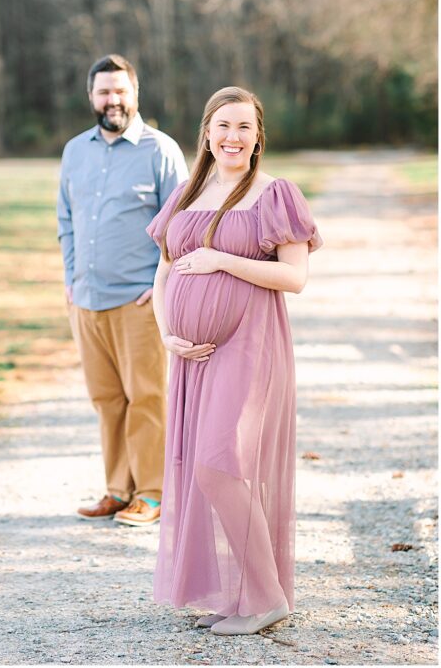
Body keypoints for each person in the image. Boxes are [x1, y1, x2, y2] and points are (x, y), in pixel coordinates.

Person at [146, 86, 322, 635]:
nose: (233, 137)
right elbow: (163, 276)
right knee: (205, 469)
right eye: (224, 125)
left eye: (245, 127)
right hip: (190, 355)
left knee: (218, 465)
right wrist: (166, 333)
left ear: (258, 137)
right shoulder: (184, 194)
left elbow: (294, 278)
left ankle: (268, 598)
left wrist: (223, 258)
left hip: (250, 344)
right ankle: (244, 592)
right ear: (206, 133)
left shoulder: (275, 195)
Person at [58, 54, 188, 527]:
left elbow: (182, 226)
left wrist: (162, 282)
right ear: (91, 96)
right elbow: (66, 220)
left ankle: (151, 493)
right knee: (106, 399)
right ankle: (118, 489)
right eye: (103, 92)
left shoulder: (161, 151)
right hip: (87, 300)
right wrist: (72, 277)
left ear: (135, 94)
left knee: (147, 396)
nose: (112, 100)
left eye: (120, 91)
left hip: (139, 300)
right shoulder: (76, 151)